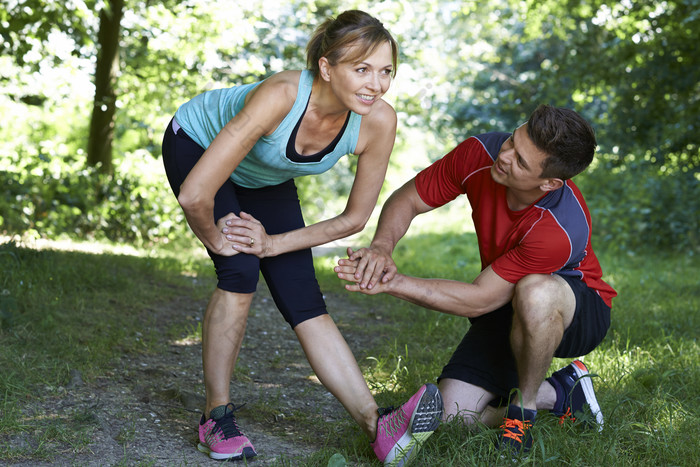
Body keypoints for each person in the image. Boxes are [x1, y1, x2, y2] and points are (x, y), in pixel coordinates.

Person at [161, 9, 442, 465]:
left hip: (266, 175)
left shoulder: (377, 122)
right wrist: (217, 240)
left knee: (302, 294)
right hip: (196, 142)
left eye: (386, 70)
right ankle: (216, 418)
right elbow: (196, 194)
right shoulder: (281, 96)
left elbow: (354, 219)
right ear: (327, 68)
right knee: (239, 268)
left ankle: (378, 425)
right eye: (362, 68)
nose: (377, 83)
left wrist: (273, 243)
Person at [335, 105, 617, 456]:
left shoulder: (559, 228)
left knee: (535, 291)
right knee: (454, 415)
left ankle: (524, 410)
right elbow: (407, 199)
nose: (506, 155)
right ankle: (561, 393)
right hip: (507, 299)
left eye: (522, 161)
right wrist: (380, 250)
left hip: (577, 306)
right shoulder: (480, 153)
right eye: (513, 140)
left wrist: (392, 283)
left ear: (549, 183)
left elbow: (479, 299)